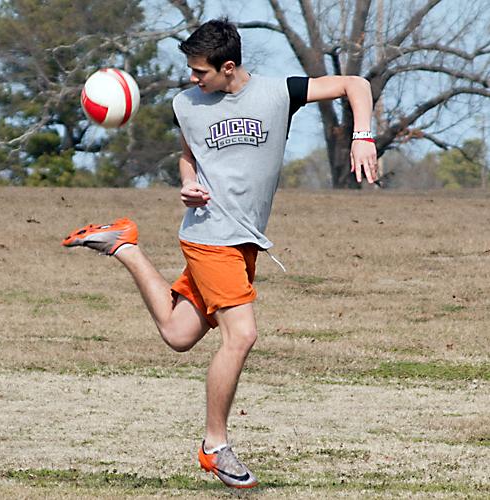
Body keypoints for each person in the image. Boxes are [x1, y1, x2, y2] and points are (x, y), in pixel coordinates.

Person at [62, 18, 378, 489]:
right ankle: (215, 445)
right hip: (212, 237)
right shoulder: (185, 104)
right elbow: (188, 155)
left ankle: (125, 245)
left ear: (228, 67)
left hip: (242, 240)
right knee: (242, 335)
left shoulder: (278, 93)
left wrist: (362, 135)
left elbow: (356, 83)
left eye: (200, 72)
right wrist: (188, 184)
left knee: (177, 333)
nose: (193, 79)